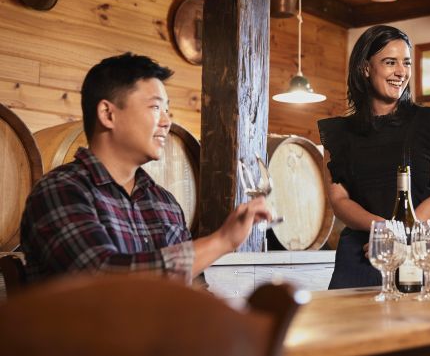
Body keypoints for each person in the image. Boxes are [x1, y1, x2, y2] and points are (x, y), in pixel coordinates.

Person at [20, 53, 271, 283]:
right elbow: (104, 280)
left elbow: (192, 288)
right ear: (108, 114)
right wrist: (222, 240)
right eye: (155, 107)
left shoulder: (164, 202)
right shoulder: (60, 190)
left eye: (167, 110)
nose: (167, 122)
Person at [318, 25, 430, 289]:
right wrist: (384, 231)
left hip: (419, 254)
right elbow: (339, 200)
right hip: (361, 257)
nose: (401, 72)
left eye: (406, 63)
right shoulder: (338, 134)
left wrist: (400, 234)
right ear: (365, 68)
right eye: (390, 62)